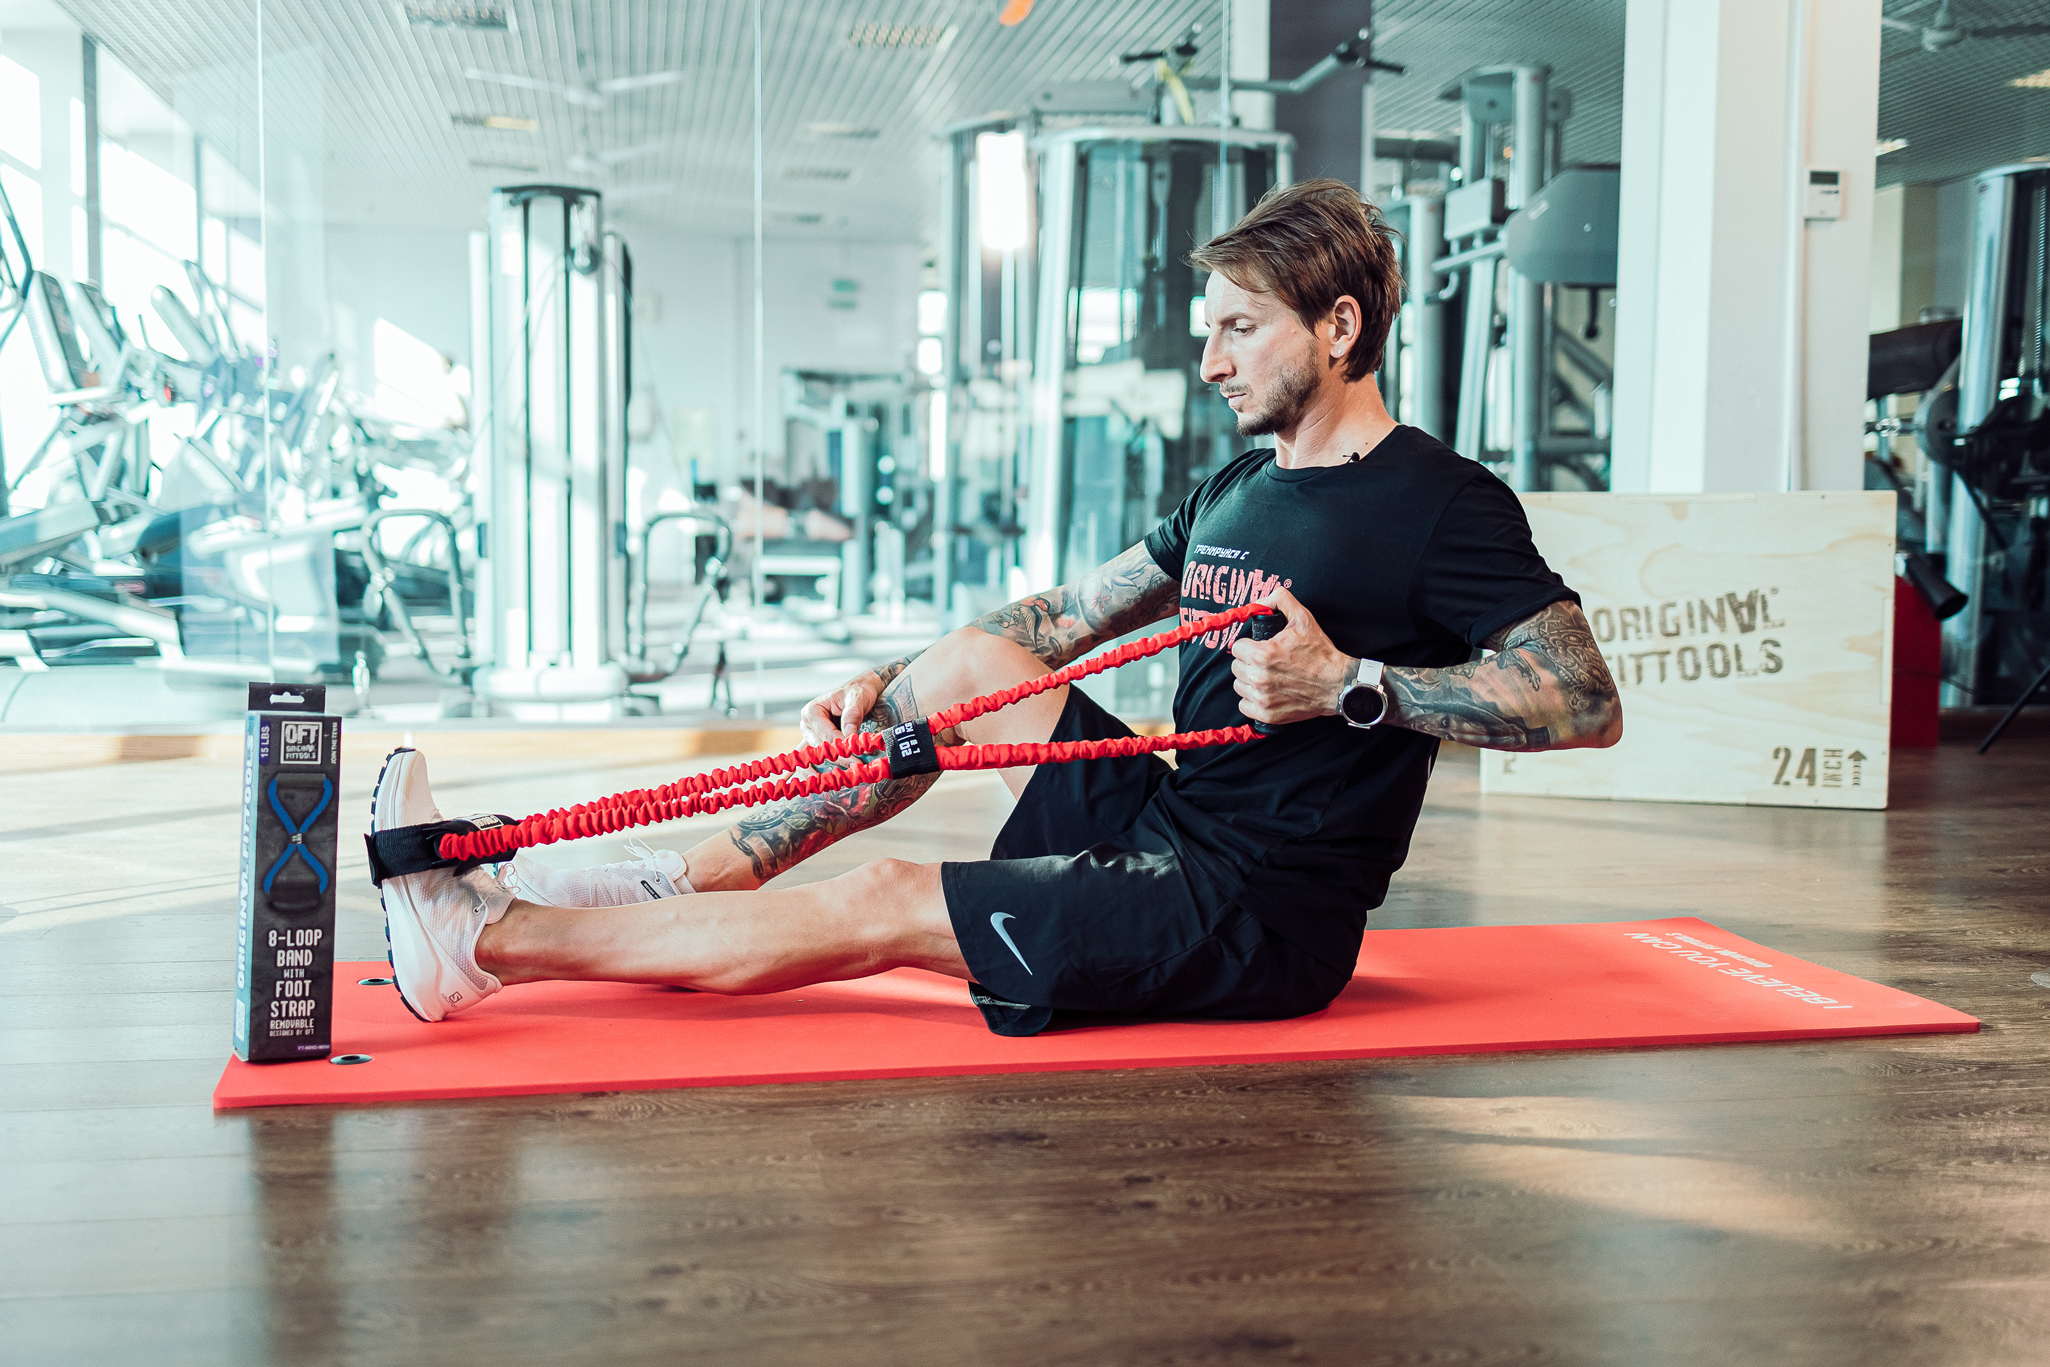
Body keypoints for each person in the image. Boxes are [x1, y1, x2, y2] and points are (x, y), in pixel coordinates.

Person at [371, 178, 1622, 1035]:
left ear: (1338, 326)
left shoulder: (1440, 502)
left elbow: (1584, 698)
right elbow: (1066, 616)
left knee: (885, 899)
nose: (1210, 361)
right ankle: (673, 888)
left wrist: (1353, 685)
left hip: (1256, 910)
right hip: (1170, 818)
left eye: (1240, 328)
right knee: (973, 663)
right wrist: (893, 684)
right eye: (1211, 329)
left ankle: (482, 944)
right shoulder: (1238, 485)